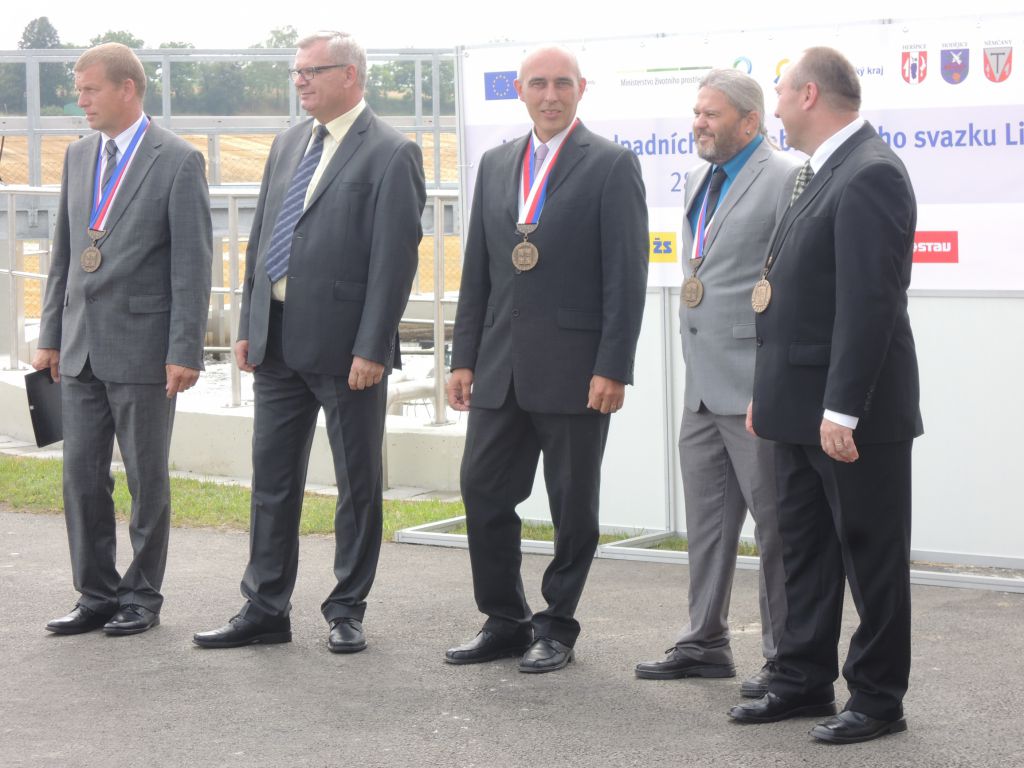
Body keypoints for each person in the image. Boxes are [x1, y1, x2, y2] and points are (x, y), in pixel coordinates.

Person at [193, 31, 425, 653]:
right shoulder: (289, 142)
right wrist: (249, 324)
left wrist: (372, 347)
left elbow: (394, 262)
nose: (299, 81)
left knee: (356, 486)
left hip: (349, 353)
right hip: (276, 343)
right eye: (296, 72)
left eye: (311, 71)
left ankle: (346, 608)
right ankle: (265, 607)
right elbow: (263, 239)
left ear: (350, 74)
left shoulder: (392, 152)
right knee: (272, 481)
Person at [727, 47, 922, 745]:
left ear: (809, 95)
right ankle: (802, 677)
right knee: (805, 551)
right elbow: (793, 296)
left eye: (781, 92)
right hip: (796, 407)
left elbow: (870, 303)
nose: (774, 106)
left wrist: (843, 409)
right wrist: (770, 394)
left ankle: (877, 698)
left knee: (871, 556)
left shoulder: (870, 172)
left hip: (851, 414)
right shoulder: (817, 170)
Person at [444, 46, 648, 673]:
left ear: (582, 88)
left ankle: (557, 624)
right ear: (520, 90)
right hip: (499, 368)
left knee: (571, 506)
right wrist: (462, 357)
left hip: (576, 371)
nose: (550, 95)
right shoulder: (496, 163)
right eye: (538, 84)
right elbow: (478, 271)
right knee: (482, 490)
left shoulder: (611, 165)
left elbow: (626, 276)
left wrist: (613, 366)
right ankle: (505, 619)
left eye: (562, 83)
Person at [34, 43, 212, 636]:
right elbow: (65, 253)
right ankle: (95, 593)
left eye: (89, 90)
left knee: (145, 480)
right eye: (78, 90)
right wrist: (50, 335)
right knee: (81, 477)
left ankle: (141, 596)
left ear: (126, 89)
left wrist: (184, 349)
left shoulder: (178, 160)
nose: (80, 101)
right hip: (79, 348)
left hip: (144, 350)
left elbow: (192, 266)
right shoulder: (79, 154)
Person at [634, 70, 796, 697]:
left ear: (750, 121)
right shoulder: (702, 179)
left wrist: (774, 385)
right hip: (702, 387)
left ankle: (786, 659)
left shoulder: (785, 177)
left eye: (712, 114)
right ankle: (704, 640)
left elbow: (792, 284)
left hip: (755, 388)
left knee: (777, 530)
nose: (698, 123)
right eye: (696, 112)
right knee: (707, 526)